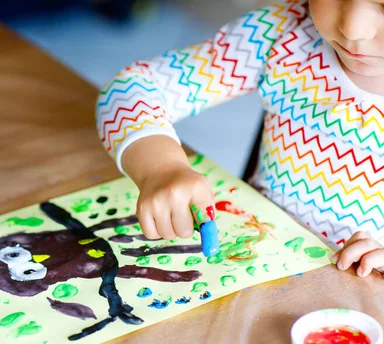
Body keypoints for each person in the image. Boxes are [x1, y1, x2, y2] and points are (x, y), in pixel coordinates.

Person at [96, 0, 384, 277]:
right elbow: (130, 88)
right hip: (259, 263)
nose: (352, 28)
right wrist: (160, 168)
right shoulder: (284, 32)